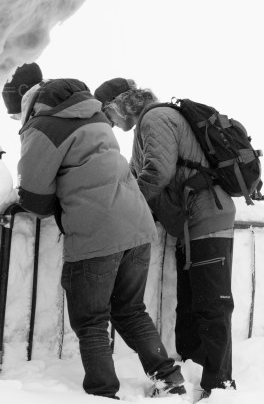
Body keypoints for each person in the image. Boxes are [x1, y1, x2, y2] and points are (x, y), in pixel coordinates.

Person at [15, 78, 186, 399]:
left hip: (95, 233)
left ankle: (102, 392)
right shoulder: (96, 119)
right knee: (131, 310)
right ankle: (169, 378)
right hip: (137, 227)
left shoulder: (43, 127)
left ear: (34, 106)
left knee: (91, 320)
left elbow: (33, 197)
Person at [95, 79, 236, 399]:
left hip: (207, 216)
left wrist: (127, 206)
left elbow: (156, 172)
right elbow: (136, 175)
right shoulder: (148, 123)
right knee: (190, 305)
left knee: (212, 304)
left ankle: (221, 385)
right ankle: (195, 372)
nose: (110, 123)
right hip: (189, 222)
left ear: (120, 104)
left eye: (108, 112)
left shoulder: (155, 118)